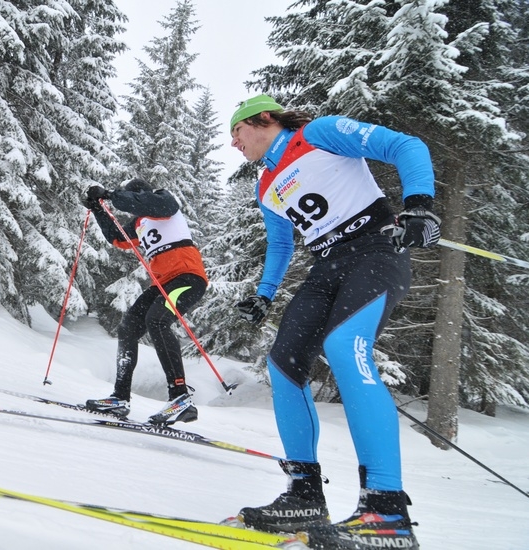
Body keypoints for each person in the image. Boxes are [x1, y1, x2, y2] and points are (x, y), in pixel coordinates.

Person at [227, 94, 440, 550]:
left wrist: (419, 205)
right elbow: (281, 245)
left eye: (237, 132)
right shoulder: (265, 184)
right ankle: (304, 494)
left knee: (346, 347)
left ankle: (387, 512)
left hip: (377, 251)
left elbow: (406, 145)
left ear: (263, 119)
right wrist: (263, 297)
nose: (234, 143)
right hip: (326, 266)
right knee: (283, 363)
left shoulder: (318, 134)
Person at [81, 177, 209, 425]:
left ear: (141, 196)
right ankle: (120, 397)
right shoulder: (141, 223)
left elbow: (154, 204)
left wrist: (110, 194)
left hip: (187, 277)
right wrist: (98, 209)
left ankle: (180, 397)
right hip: (162, 283)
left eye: (134, 200)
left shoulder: (164, 202)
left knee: (157, 320)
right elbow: (117, 238)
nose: (133, 207)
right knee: (128, 328)